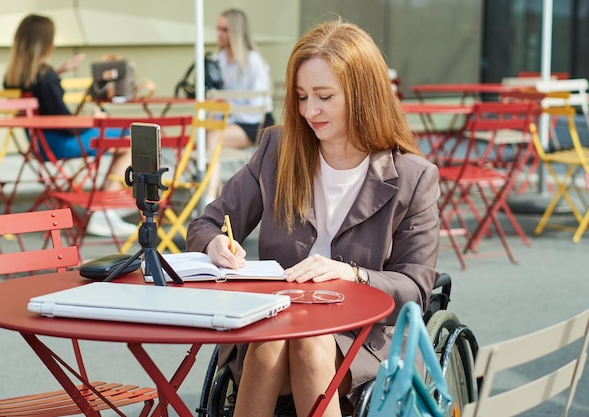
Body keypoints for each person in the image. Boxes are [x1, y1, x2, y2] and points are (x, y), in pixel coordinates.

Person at [186, 18, 440, 417]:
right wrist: (216, 242)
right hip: (274, 325)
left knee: (305, 339)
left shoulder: (412, 177)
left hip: (362, 339)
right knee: (278, 335)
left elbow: (415, 289)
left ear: (363, 95)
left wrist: (350, 273)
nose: (309, 110)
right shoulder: (277, 150)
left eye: (324, 96)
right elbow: (204, 224)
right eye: (302, 96)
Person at [3, 14, 136, 238]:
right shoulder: (45, 77)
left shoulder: (15, 76)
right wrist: (95, 121)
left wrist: (58, 72)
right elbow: (64, 121)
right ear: (46, 43)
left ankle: (105, 207)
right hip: (59, 142)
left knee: (120, 139)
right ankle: (104, 209)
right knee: (129, 138)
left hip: (40, 142)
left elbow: (41, 90)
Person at [205, 8, 276, 201]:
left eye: (225, 29)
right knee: (201, 134)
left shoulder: (253, 61)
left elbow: (257, 105)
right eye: (218, 29)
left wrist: (227, 107)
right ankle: (215, 189)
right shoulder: (217, 60)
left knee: (213, 136)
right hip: (232, 121)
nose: (219, 34)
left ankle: (210, 195)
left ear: (236, 31)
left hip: (256, 123)